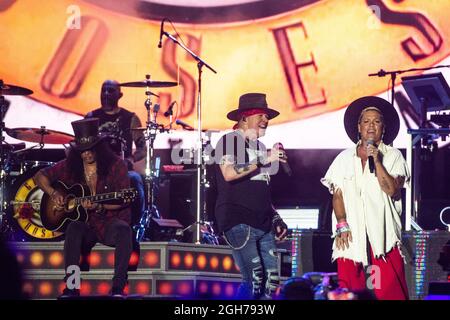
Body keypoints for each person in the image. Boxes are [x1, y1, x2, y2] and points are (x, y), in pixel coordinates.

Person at [321, 96, 410, 300]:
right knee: (350, 291)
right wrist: (342, 223)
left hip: (383, 237)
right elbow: (337, 193)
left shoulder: (394, 155)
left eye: (377, 121)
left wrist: (377, 161)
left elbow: (393, 190)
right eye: (366, 121)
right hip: (351, 237)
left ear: (383, 128)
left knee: (388, 292)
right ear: (359, 127)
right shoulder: (343, 158)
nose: (371, 126)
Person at [34, 118, 133, 297]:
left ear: (99, 149)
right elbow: (40, 176)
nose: (86, 155)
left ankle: (118, 287)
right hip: (86, 225)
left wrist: (100, 206)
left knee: (124, 230)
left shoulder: (116, 165)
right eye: (82, 151)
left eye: (90, 150)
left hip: (110, 222)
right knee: (73, 228)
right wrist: (53, 193)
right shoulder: (72, 166)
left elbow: (125, 199)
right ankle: (72, 286)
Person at [214, 93, 288, 299]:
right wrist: (264, 159)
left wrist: (276, 218)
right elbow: (228, 173)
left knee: (272, 281)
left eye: (268, 117)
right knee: (254, 279)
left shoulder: (260, 148)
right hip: (239, 220)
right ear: (245, 118)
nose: (266, 121)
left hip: (263, 223)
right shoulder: (229, 140)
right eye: (261, 116)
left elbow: (261, 191)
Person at [85, 80, 147, 238]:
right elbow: (81, 145)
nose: (105, 94)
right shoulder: (91, 117)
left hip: (121, 169)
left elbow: (142, 148)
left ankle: (134, 226)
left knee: (135, 179)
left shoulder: (130, 118)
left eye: (110, 91)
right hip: (95, 169)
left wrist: (131, 160)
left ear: (120, 95)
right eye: (103, 90)